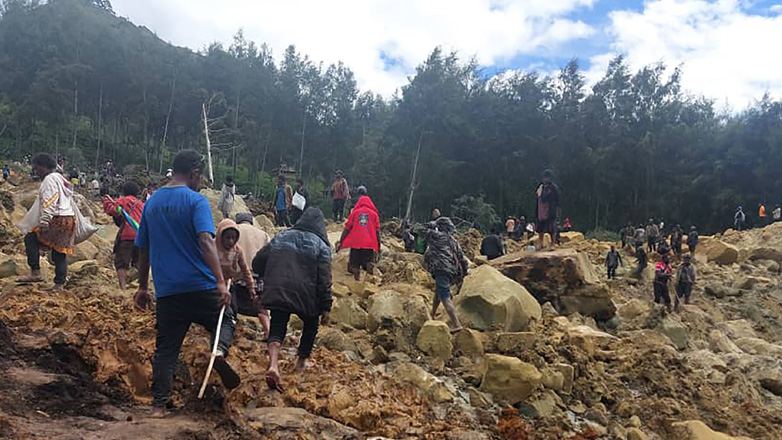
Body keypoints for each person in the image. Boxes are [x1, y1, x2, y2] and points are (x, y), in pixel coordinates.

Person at [133, 149, 240, 417]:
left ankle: (158, 406)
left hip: (168, 291)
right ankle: (218, 351)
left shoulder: (152, 203)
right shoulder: (196, 201)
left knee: (166, 349)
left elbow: (143, 250)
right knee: (226, 317)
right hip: (201, 286)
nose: (201, 181)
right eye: (200, 176)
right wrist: (219, 281)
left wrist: (143, 287)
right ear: (193, 173)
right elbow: (206, 240)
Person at [252, 208, 332, 393]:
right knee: (311, 325)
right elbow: (324, 279)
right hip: (306, 294)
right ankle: (302, 361)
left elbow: (258, 261)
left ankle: (273, 364)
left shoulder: (282, 237)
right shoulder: (322, 246)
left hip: (279, 289)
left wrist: (265, 277)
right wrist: (326, 306)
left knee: (278, 324)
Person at [18, 153, 76, 289]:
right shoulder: (60, 179)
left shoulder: (49, 180)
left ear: (44, 167)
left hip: (57, 219)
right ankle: (59, 284)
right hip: (68, 218)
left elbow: (51, 200)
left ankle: (35, 272)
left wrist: (45, 220)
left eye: (38, 168)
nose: (36, 172)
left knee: (31, 238)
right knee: (59, 252)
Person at [424, 216, 468, 332]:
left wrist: (431, 225)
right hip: (451, 271)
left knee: (445, 298)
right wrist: (464, 273)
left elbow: (418, 229)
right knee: (438, 292)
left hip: (441, 269)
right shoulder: (453, 241)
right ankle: (432, 314)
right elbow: (462, 259)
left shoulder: (435, 236)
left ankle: (457, 324)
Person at [233, 212, 271, 338]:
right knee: (262, 309)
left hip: (239, 276)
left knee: (232, 305)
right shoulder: (263, 234)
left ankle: (230, 331)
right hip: (258, 277)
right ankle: (268, 332)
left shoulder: (234, 230)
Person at [102, 181, 144, 290]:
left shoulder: (122, 201)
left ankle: (123, 287)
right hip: (140, 236)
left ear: (124, 191)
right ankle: (141, 286)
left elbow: (113, 211)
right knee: (139, 261)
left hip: (126, 235)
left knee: (121, 263)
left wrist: (107, 202)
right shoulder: (141, 204)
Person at [336, 186, 380, 281]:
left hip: (356, 243)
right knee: (368, 262)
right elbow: (377, 232)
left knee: (354, 265)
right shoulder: (374, 214)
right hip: (369, 244)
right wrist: (378, 247)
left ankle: (357, 280)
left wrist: (341, 241)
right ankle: (368, 282)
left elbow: (347, 228)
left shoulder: (355, 213)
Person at [534, 170, 560, 251]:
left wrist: (556, 209)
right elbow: (538, 198)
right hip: (541, 210)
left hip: (550, 210)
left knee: (551, 228)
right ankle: (541, 243)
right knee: (540, 228)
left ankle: (552, 244)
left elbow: (558, 199)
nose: (545, 179)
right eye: (544, 177)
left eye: (546, 177)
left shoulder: (553, 188)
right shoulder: (541, 187)